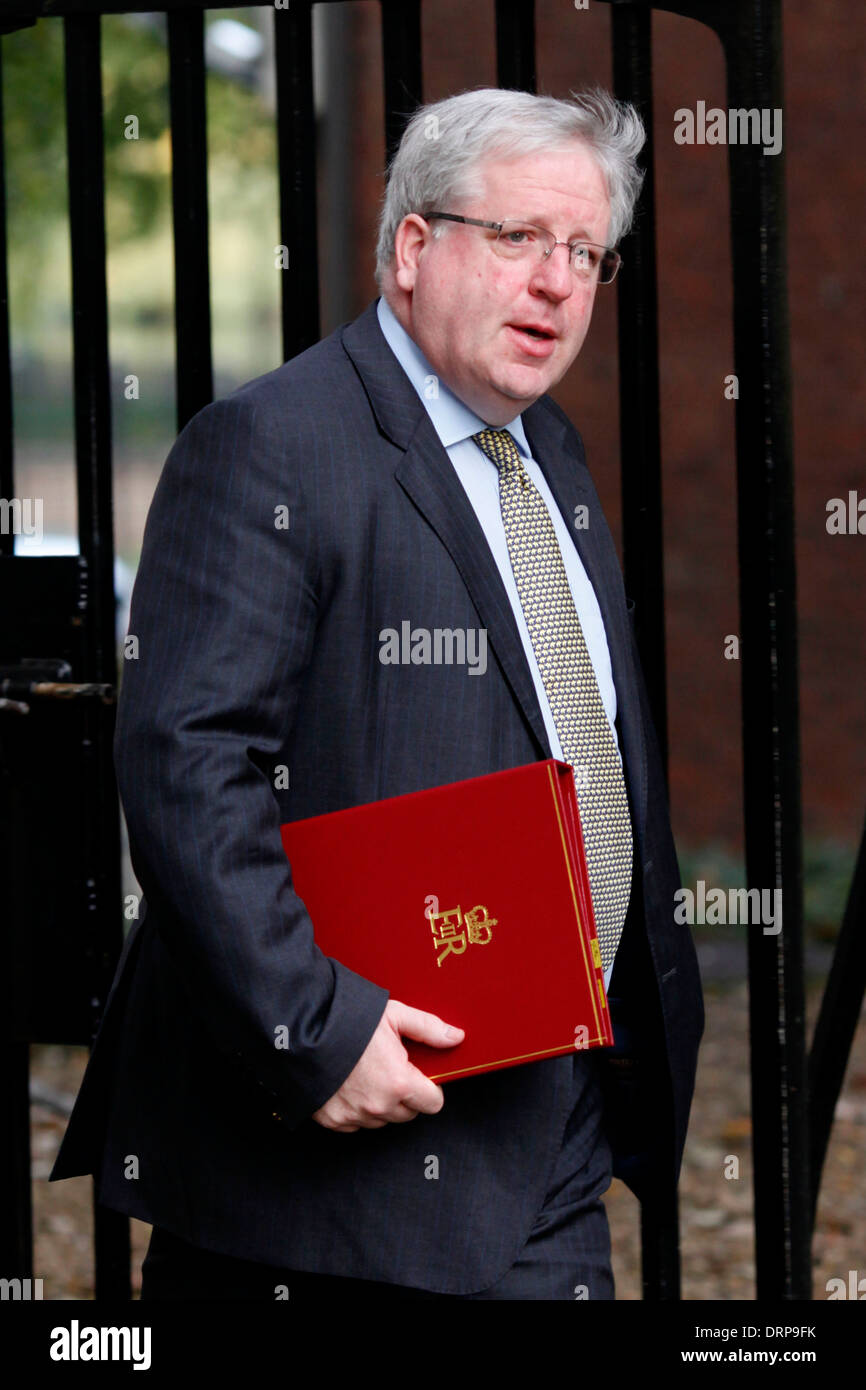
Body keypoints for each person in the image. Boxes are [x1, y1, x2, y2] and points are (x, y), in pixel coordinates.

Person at [50, 85, 704, 1301]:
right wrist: (317, 1028)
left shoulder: (544, 449)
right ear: (413, 247)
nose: (557, 283)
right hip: (324, 1182)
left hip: (551, 1134)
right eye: (516, 239)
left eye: (582, 252)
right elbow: (186, 760)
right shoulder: (272, 445)